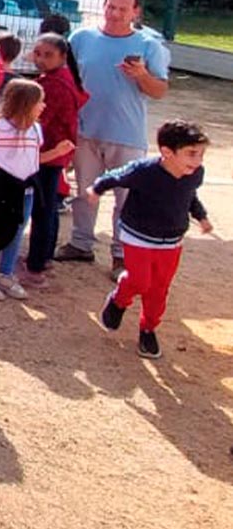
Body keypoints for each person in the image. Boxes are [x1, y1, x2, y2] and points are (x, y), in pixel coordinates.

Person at [63, 0, 171, 281]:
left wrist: (142, 76)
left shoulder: (150, 44)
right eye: (111, 7)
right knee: (85, 190)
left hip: (126, 132)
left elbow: (160, 90)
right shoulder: (81, 38)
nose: (114, 14)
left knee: (126, 197)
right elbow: (69, 80)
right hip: (86, 129)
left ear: (135, 12)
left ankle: (122, 254)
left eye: (122, 9)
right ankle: (80, 242)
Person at [95, 121, 213, 359]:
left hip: (171, 241)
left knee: (159, 289)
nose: (197, 160)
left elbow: (189, 196)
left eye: (201, 154)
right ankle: (119, 300)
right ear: (167, 152)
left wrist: (201, 216)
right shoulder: (144, 170)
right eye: (191, 153)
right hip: (137, 236)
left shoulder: (195, 173)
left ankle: (148, 329)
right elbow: (115, 176)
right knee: (140, 281)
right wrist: (96, 188)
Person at [0, 80, 66, 303]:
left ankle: (6, 274)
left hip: (26, 189)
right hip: (1, 188)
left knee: (17, 231)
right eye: (39, 102)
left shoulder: (36, 129)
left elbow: (34, 159)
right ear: (25, 104)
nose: (43, 106)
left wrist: (57, 152)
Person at [23, 33, 84, 287]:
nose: (40, 59)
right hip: (56, 153)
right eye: (38, 53)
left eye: (48, 55)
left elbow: (38, 121)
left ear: (62, 56)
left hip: (47, 154)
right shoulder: (61, 78)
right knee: (49, 207)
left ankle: (36, 265)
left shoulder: (53, 85)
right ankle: (44, 257)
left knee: (42, 209)